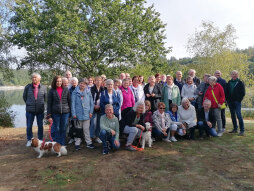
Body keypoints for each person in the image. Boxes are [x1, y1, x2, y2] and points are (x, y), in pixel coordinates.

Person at [23, 73, 47, 147]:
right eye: (33, 77)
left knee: (40, 126)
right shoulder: (28, 87)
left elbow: (46, 98)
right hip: (30, 110)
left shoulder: (43, 87)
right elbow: (24, 97)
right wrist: (29, 103)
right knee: (29, 126)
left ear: (39, 79)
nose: (34, 79)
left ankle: (40, 140)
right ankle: (29, 140)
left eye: (35, 77)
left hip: (40, 110)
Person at [71, 78, 94, 150]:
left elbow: (92, 103)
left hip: (87, 114)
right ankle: (77, 143)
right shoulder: (74, 92)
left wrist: (91, 112)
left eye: (84, 83)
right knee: (78, 130)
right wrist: (74, 114)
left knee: (86, 129)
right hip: (77, 115)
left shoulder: (88, 92)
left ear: (86, 85)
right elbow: (73, 104)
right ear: (79, 84)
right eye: (81, 83)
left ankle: (89, 143)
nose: (82, 85)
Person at [47, 75, 70, 146]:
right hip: (55, 113)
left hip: (65, 112)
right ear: (55, 82)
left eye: (60, 81)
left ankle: (62, 143)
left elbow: (69, 101)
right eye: (57, 81)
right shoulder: (51, 91)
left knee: (63, 128)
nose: (59, 82)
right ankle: (57, 144)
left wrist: (70, 113)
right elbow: (49, 104)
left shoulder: (66, 89)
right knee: (57, 128)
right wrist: (49, 115)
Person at [225, 70, 245, 136]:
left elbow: (243, 93)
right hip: (230, 101)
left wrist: (239, 100)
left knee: (239, 115)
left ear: (237, 75)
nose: (234, 75)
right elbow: (226, 92)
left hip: (237, 102)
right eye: (233, 74)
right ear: (231, 75)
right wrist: (227, 100)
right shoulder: (229, 82)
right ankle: (235, 129)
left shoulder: (240, 82)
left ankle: (242, 130)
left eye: (235, 74)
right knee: (233, 115)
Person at [90, 76, 104, 143]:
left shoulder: (103, 89)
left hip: (100, 108)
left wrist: (100, 106)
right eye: (97, 80)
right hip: (92, 108)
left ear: (101, 82)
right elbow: (89, 99)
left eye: (100, 80)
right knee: (92, 123)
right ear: (94, 81)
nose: (98, 82)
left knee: (99, 123)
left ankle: (97, 136)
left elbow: (103, 99)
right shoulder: (91, 89)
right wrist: (94, 105)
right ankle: (91, 136)